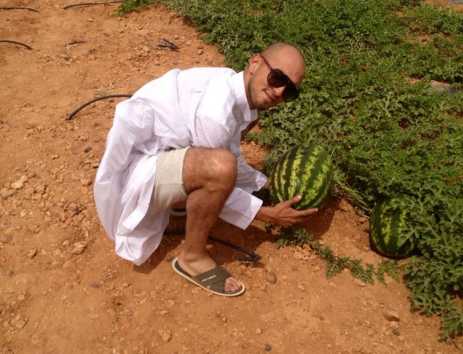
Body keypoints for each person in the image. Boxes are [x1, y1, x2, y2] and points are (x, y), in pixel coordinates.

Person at [94, 42, 317, 297]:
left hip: (164, 155)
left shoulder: (240, 95)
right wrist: (268, 215)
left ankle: (183, 203)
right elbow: (220, 168)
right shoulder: (216, 111)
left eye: (289, 91)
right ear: (255, 63)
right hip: (135, 175)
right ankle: (193, 257)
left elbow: (229, 148)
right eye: (277, 78)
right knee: (219, 169)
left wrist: (261, 183)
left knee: (223, 163)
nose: (279, 91)